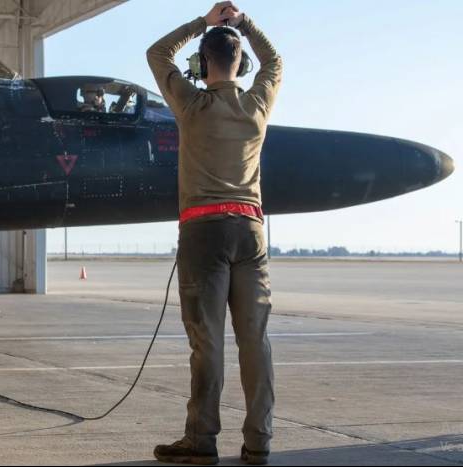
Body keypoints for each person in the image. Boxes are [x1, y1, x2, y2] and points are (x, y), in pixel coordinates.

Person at [147, 2, 282, 465]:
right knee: (254, 339)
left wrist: (202, 23)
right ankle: (259, 441)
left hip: (203, 233)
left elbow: (157, 53)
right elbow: (274, 61)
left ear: (204, 64)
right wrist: (243, 24)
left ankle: (202, 439)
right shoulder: (257, 105)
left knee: (207, 342)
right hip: (250, 231)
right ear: (241, 64)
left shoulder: (192, 104)